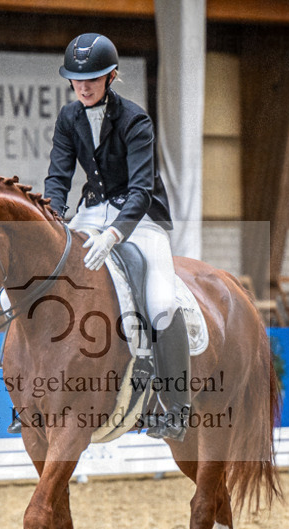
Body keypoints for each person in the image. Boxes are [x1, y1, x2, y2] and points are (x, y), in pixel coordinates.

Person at [44, 32, 190, 441]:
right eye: (76, 78)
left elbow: (142, 189)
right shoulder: (68, 118)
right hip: (91, 213)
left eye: (92, 78)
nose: (83, 86)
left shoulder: (135, 120)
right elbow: (58, 178)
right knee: (46, 279)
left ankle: (176, 406)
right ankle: (33, 395)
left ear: (111, 76)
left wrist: (115, 234)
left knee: (161, 302)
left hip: (139, 219)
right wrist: (52, 219)